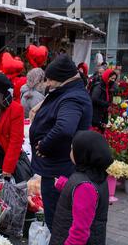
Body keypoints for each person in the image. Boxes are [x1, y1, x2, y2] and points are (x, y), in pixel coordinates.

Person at [29, 55, 93, 232]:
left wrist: (44, 145)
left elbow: (64, 129)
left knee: (57, 220)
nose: (48, 83)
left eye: (50, 79)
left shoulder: (73, 97)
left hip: (59, 168)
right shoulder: (69, 92)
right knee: (57, 218)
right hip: (57, 166)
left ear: (62, 78)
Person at [50, 130, 113, 245]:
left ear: (83, 154)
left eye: (73, 149)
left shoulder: (84, 187)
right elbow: (86, 200)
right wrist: (65, 184)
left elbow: (81, 228)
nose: (70, 151)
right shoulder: (95, 176)